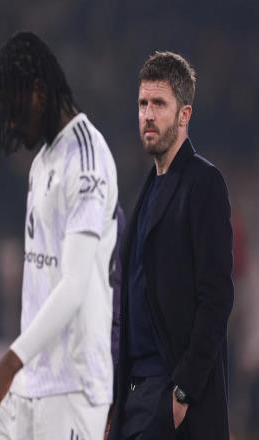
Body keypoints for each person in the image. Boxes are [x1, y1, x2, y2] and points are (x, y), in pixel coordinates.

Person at [0, 31, 119, 439]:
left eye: (12, 109)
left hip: (72, 384)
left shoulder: (87, 159)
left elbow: (74, 284)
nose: (9, 123)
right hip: (31, 376)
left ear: (38, 92)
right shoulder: (42, 161)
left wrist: (8, 364)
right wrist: (19, 366)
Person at [108, 51, 234, 440]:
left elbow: (217, 297)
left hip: (170, 393)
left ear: (184, 115)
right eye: (142, 104)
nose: (148, 114)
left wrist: (183, 391)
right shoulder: (146, 188)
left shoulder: (204, 183)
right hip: (134, 392)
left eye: (159, 104)